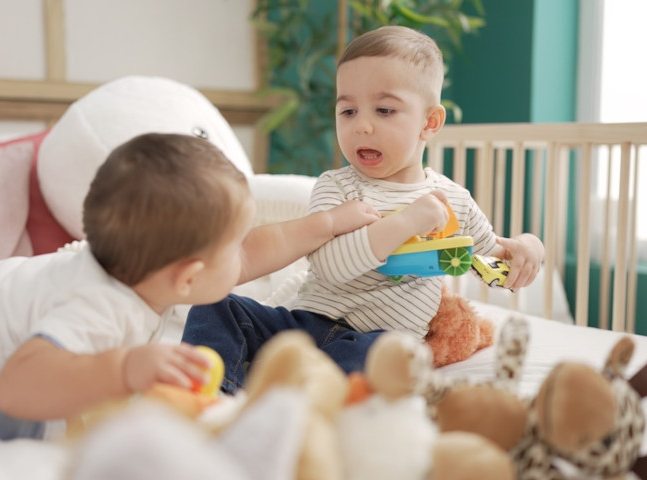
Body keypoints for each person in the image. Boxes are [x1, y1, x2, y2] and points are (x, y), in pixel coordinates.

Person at [0, 132, 379, 439]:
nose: (242, 255)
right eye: (232, 247)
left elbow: (250, 252)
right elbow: (16, 389)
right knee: (39, 425)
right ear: (188, 277)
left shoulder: (132, 269)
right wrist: (124, 369)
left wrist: (326, 224)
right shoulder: (99, 306)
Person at [182, 25, 546, 394]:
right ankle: (215, 391)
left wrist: (529, 248)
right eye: (348, 111)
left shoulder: (454, 200)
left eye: (385, 110)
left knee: (386, 358)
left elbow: (494, 257)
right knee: (215, 305)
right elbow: (331, 267)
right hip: (304, 325)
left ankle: (300, 399)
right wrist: (406, 222)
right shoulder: (337, 187)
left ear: (429, 122)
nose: (362, 126)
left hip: (375, 341)